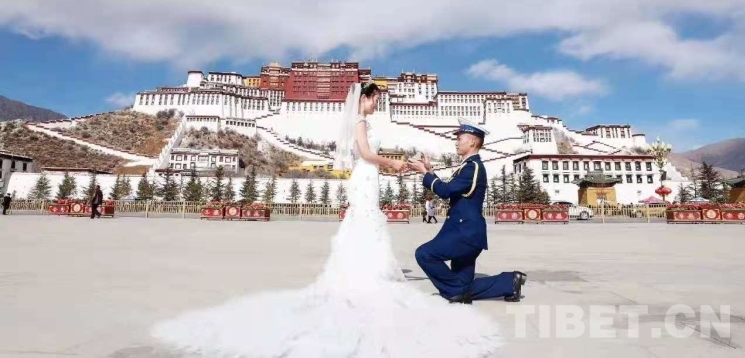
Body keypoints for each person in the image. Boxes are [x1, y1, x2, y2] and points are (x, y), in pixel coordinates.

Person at [151, 83, 504, 358]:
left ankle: (492, 284)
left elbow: (440, 184)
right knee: (371, 228)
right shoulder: (360, 122)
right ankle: (368, 279)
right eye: (375, 99)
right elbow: (365, 153)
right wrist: (393, 163)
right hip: (368, 176)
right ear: (364, 99)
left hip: (374, 180)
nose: (377, 105)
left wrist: (410, 169)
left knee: (368, 227)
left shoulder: (465, 163)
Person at [408, 118, 526, 304]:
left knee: (425, 254)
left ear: (472, 141)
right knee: (463, 286)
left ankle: (457, 293)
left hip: (464, 234)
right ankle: (510, 282)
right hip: (467, 232)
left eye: (459, 138)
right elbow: (451, 188)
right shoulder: (468, 166)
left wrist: (424, 173)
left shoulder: (473, 167)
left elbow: (446, 191)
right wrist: (429, 171)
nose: (456, 142)